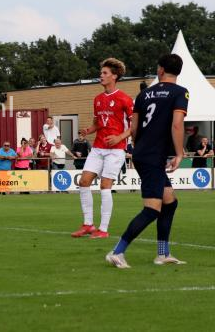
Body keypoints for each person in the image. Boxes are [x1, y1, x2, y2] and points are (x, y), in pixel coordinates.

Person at [107, 54, 188, 268]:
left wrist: (139, 149)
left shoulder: (143, 94)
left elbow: (134, 129)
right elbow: (177, 124)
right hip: (153, 156)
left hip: (144, 153)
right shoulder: (180, 92)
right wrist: (179, 153)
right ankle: (117, 252)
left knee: (170, 202)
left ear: (160, 70)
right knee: (152, 209)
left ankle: (163, 253)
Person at [71, 58, 133, 239]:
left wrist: (119, 137)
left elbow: (135, 126)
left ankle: (103, 229)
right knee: (84, 182)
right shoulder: (97, 99)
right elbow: (97, 123)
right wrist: (88, 130)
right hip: (98, 148)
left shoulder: (125, 99)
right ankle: (88, 225)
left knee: (105, 186)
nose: (101, 76)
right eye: (101, 73)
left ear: (114, 76)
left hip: (116, 149)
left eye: (105, 73)